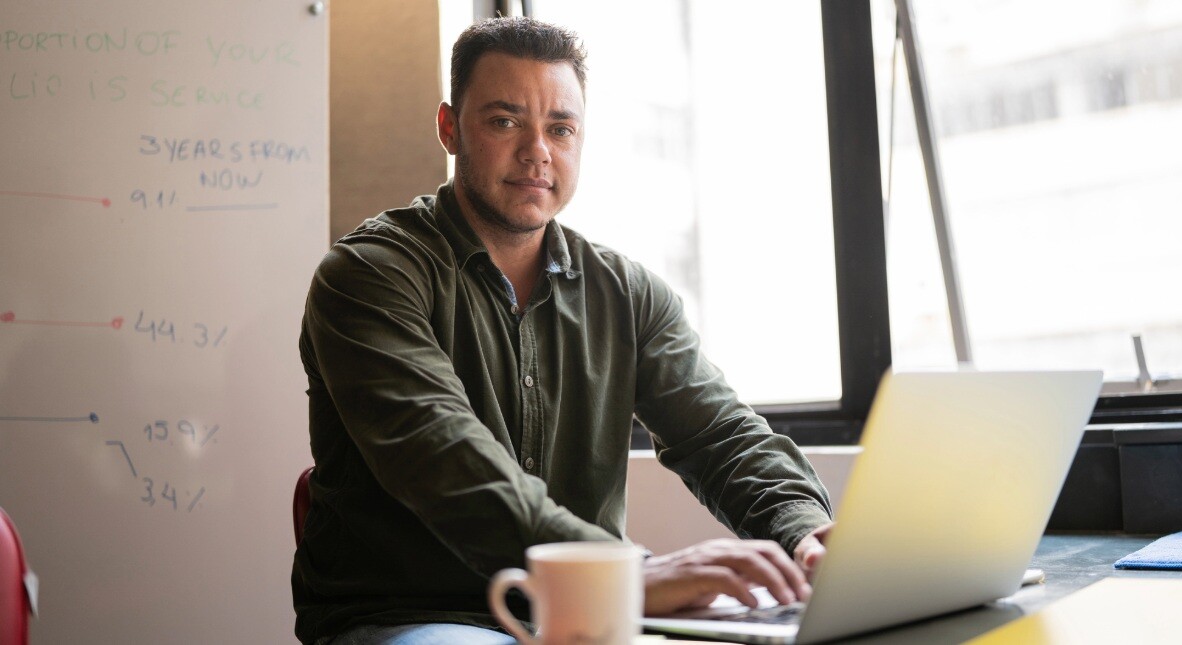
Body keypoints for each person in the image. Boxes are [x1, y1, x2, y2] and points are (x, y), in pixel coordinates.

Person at [293, 16, 834, 644]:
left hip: (585, 616)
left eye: (561, 128)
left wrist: (807, 532)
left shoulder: (628, 293)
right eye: (504, 121)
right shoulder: (368, 275)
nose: (537, 152)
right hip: (418, 617)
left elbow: (722, 436)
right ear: (449, 128)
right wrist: (628, 574)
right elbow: (446, 464)